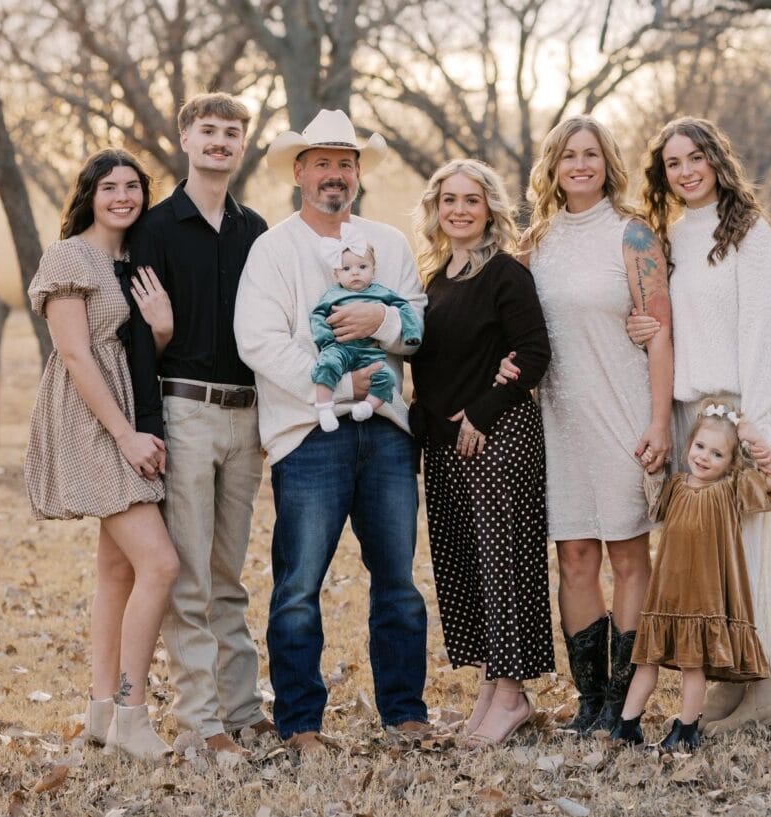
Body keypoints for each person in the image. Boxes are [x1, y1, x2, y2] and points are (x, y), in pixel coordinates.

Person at [234, 109, 429, 754]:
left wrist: (381, 321)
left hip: (387, 432)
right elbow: (258, 341)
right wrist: (338, 386)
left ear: (358, 174)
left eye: (345, 163)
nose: (334, 175)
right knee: (298, 586)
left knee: (397, 583)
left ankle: (405, 714)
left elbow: (416, 327)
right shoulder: (273, 249)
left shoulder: (389, 244)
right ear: (298, 172)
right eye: (321, 163)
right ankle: (301, 725)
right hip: (307, 434)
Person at [626, 116, 771, 734]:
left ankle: (767, 693)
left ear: (716, 159)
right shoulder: (675, 236)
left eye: (695, 158)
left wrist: (751, 427)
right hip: (694, 415)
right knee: (711, 554)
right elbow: (674, 322)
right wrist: (642, 327)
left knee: (750, 543)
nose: (686, 171)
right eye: (673, 163)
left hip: (740, 411)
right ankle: (729, 683)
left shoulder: (748, 231)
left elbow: (763, 331)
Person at [502, 115, 674, 735]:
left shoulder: (633, 235)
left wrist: (659, 422)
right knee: (574, 557)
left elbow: (660, 336)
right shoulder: (535, 243)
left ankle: (625, 705)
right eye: (569, 155)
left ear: (607, 165)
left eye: (591, 154)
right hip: (559, 421)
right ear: (552, 167)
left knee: (628, 555)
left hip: (624, 413)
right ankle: (590, 701)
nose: (580, 164)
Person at [128, 92, 271, 757]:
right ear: (185, 138)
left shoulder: (256, 230)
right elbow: (137, 342)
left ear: (242, 144)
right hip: (183, 410)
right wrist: (149, 424)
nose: (220, 141)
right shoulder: (154, 229)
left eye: (231, 132)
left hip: (246, 415)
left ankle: (242, 709)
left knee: (228, 575)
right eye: (208, 130)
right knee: (189, 578)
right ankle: (201, 722)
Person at [24, 149, 180, 760]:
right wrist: (124, 435)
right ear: (89, 194)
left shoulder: (133, 259)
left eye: (133, 186)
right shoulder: (70, 257)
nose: (123, 196)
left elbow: (133, 351)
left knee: (118, 572)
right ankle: (133, 715)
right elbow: (75, 354)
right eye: (109, 186)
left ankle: (100, 713)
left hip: (127, 409)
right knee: (159, 565)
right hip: (93, 418)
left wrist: (161, 331)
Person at [410, 159, 554, 749]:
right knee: (467, 567)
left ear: (491, 209)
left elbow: (535, 352)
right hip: (448, 447)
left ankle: (513, 694)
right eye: (449, 199)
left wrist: (481, 412)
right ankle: (491, 691)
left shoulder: (505, 274)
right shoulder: (435, 279)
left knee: (504, 566)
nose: (460, 209)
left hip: (499, 439)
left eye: (472, 199)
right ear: (436, 208)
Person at [609, 397, 771, 753]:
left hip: (702, 599)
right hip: (665, 596)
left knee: (693, 667)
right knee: (645, 662)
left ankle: (686, 729)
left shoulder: (731, 488)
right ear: (689, 444)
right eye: (700, 447)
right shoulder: (676, 485)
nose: (704, 457)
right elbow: (654, 506)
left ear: (731, 463)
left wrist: (754, 440)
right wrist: (652, 471)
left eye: (717, 454)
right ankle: (626, 726)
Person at [312, 224, 422, 431]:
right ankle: (324, 406)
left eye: (362, 267)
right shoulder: (333, 295)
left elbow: (404, 308)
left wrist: (411, 333)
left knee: (387, 377)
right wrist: (325, 340)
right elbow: (318, 316)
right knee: (327, 364)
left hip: (370, 351)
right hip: (340, 348)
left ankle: (368, 406)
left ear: (373, 271)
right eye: (346, 269)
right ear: (336, 274)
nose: (355, 273)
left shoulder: (382, 293)